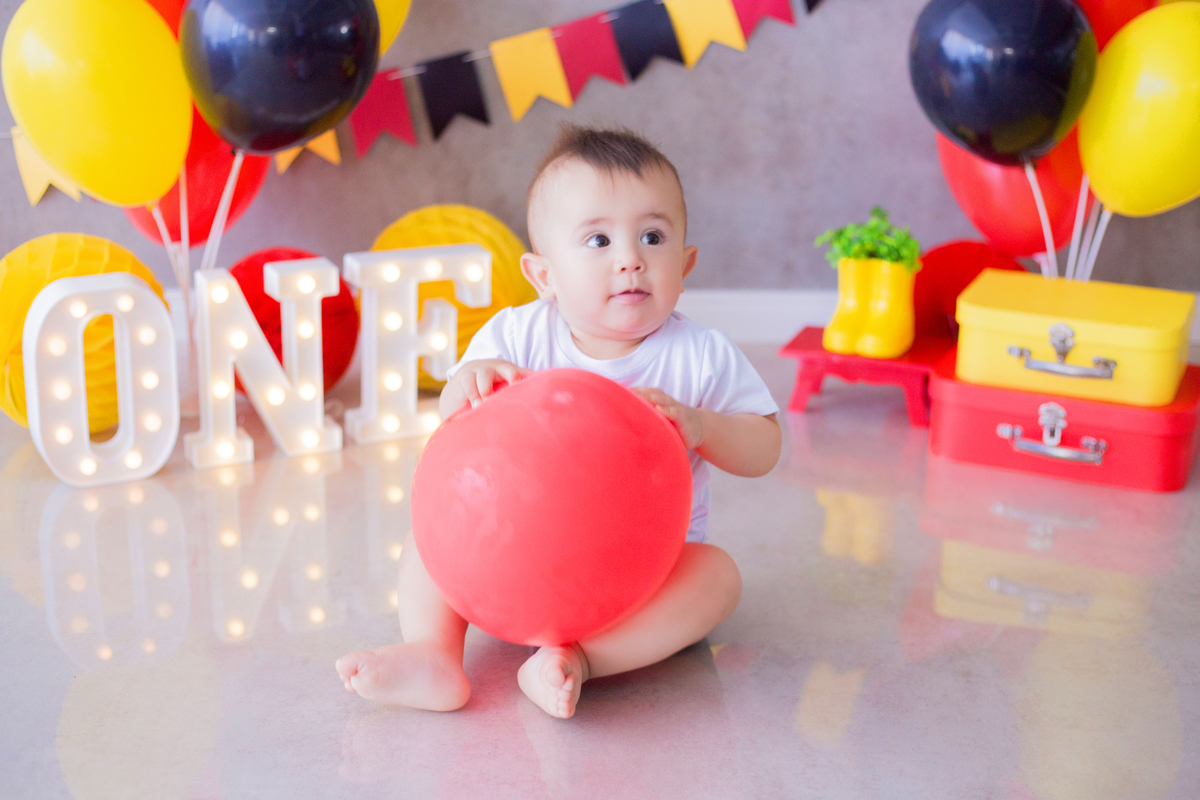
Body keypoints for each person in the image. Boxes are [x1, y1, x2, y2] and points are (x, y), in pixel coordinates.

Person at [336, 125, 781, 719]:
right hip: (509, 558)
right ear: (543, 276)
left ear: (686, 262)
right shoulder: (516, 336)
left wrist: (701, 426)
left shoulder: (699, 355)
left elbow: (765, 446)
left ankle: (579, 660)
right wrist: (468, 385)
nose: (630, 260)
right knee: (431, 532)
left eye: (653, 236)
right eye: (597, 240)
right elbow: (451, 434)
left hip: (640, 580)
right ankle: (433, 652)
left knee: (718, 578)